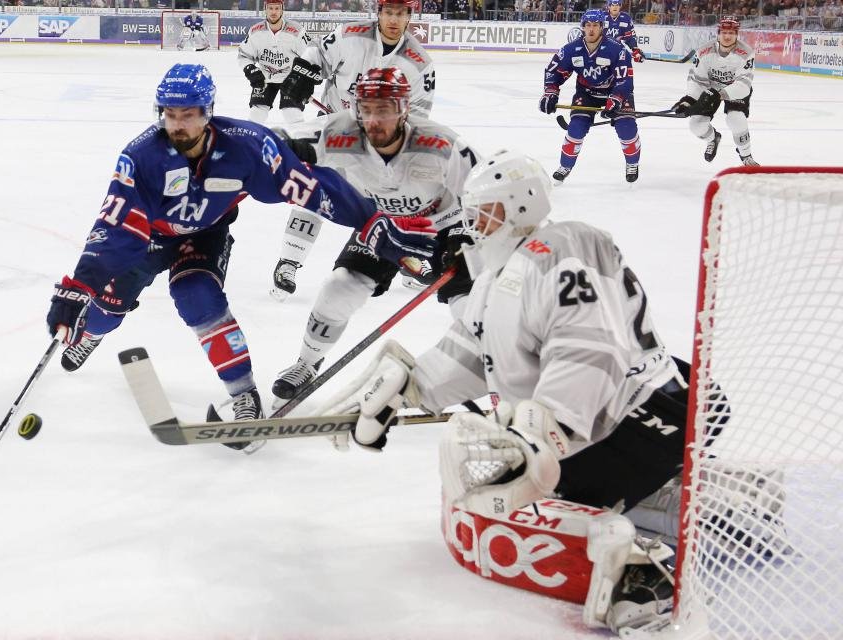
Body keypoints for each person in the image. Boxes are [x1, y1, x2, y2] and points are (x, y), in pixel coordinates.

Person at [320, 148, 689, 633]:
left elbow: (589, 347)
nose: (474, 223)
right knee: (503, 490)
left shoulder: (562, 248)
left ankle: (647, 565)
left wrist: (548, 427)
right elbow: (473, 352)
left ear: (521, 205)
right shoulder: (503, 271)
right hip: (613, 416)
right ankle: (649, 496)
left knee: (526, 491)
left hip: (644, 412)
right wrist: (411, 388)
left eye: (485, 211)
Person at [45, 64, 436, 445]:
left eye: (188, 115)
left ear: (207, 113)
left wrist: (371, 223)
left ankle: (243, 394)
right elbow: (116, 227)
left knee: (198, 298)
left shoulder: (247, 145)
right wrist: (79, 285)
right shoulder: (141, 157)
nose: (178, 124)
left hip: (206, 235)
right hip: (148, 237)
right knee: (105, 308)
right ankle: (94, 334)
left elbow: (310, 186)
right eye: (169, 114)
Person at [267, 68, 479, 409]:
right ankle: (307, 363)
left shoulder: (440, 144)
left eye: (385, 109)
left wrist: (466, 235)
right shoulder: (340, 131)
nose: (374, 119)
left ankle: (493, 373)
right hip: (382, 224)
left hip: (441, 228)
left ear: (404, 109)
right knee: (339, 287)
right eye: (366, 108)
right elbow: (279, 141)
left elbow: (482, 189)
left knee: (471, 310)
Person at [270, 0, 436, 297]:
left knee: (396, 198)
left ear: (410, 16)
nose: (393, 20)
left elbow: (419, 116)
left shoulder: (419, 63)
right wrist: (301, 78)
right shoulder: (349, 36)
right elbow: (316, 54)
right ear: (379, 13)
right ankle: (289, 261)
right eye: (388, 12)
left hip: (380, 139)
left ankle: (406, 259)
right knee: (315, 190)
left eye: (400, 13)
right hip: (334, 126)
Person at [539, 9, 640, 184]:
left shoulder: (617, 50)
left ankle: (632, 163)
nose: (591, 29)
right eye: (588, 25)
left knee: (627, 128)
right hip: (586, 93)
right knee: (576, 128)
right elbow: (554, 71)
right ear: (583, 27)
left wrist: (616, 99)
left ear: (602, 27)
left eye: (595, 25)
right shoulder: (571, 49)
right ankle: (565, 166)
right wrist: (550, 92)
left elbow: (625, 79)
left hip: (616, 92)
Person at [671, 16, 758, 166]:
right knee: (696, 125)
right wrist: (689, 100)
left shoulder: (746, 53)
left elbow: (743, 85)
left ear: (737, 34)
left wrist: (720, 94)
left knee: (735, 119)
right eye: (724, 32)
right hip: (710, 89)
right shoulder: (704, 51)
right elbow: (697, 80)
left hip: (734, 90)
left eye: (731, 32)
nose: (727, 36)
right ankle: (713, 138)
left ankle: (746, 156)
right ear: (718, 33)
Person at [237, 0, 312, 125]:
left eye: (277, 8)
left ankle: (301, 141)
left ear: (282, 10)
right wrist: (250, 69)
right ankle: (251, 142)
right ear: (265, 9)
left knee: (292, 113)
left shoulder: (297, 31)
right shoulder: (255, 31)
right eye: (270, 8)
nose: (273, 12)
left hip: (290, 78)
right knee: (257, 114)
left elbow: (310, 56)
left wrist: (306, 81)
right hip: (265, 78)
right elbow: (244, 55)